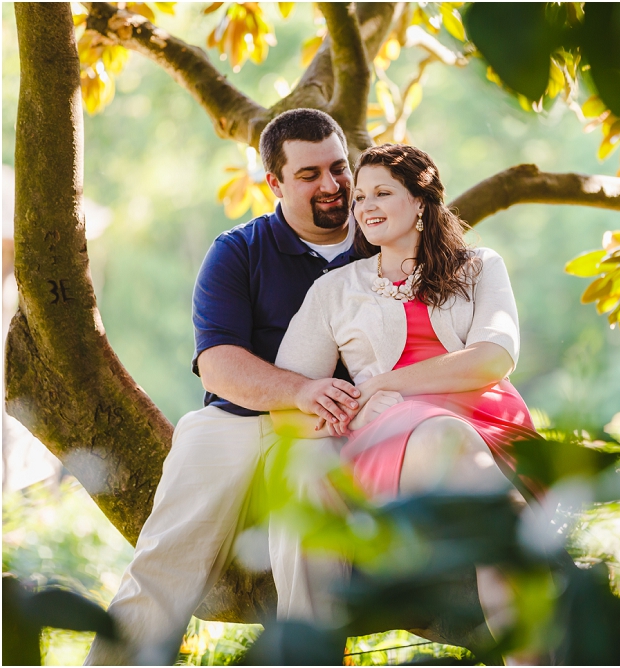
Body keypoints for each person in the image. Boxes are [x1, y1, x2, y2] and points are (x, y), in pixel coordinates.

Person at [85, 108, 365, 664]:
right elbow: (218, 365)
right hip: (235, 420)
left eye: (339, 168)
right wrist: (300, 390)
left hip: (332, 428)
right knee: (169, 549)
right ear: (275, 183)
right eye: (309, 175)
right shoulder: (238, 250)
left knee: (311, 540)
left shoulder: (383, 242)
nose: (332, 186)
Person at [269, 143, 542, 634]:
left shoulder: (479, 266)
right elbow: (288, 405)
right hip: (399, 442)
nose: (365, 206)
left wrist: (385, 382)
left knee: (472, 469)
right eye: (361, 197)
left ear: (420, 201)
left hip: (492, 424)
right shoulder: (335, 290)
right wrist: (341, 408)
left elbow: (493, 358)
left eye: (382, 193)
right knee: (456, 454)